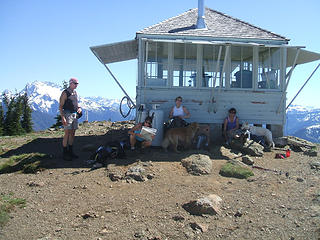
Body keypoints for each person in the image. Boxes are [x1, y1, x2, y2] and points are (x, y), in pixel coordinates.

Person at [59, 77, 82, 161]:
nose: (76, 85)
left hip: (74, 113)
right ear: (71, 83)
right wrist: (63, 117)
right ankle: (65, 152)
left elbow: (77, 104)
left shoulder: (75, 93)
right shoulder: (65, 93)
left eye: (77, 84)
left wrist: (79, 108)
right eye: (75, 83)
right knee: (67, 133)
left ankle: (70, 151)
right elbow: (61, 106)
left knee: (73, 132)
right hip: (67, 114)